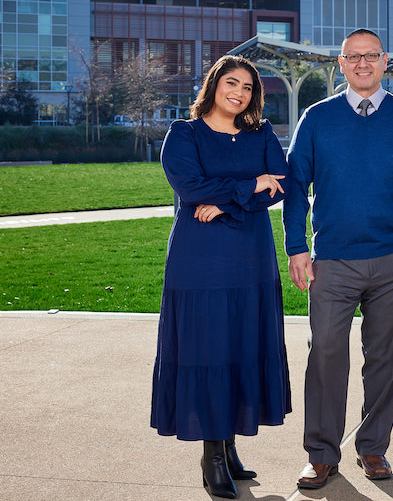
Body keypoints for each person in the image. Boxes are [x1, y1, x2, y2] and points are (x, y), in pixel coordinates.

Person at [283, 28, 393, 489]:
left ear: (385, 61)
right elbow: (294, 186)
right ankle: (321, 454)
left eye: (371, 55)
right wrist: (296, 246)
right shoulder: (317, 118)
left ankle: (373, 448)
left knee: (384, 357)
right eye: (354, 57)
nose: (363, 63)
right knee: (326, 354)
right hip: (333, 261)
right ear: (341, 64)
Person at [150, 55, 291, 500]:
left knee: (241, 342)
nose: (240, 92)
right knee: (208, 344)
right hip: (201, 257)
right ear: (214, 85)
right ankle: (212, 457)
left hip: (250, 255)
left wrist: (228, 201)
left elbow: (280, 183)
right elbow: (190, 189)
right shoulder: (184, 134)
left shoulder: (262, 133)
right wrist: (249, 186)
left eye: (248, 87)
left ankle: (228, 448)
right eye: (232, 83)